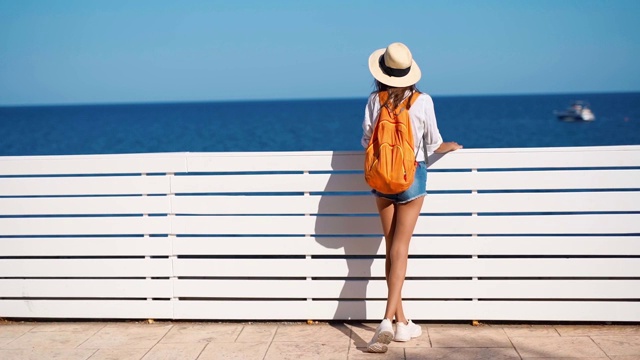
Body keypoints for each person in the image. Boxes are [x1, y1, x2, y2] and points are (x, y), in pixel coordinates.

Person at [361, 42, 462, 353]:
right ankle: (387, 319)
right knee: (401, 248)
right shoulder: (422, 101)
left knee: (391, 248)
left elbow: (366, 138)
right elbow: (434, 143)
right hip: (410, 178)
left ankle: (402, 323)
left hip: (381, 178)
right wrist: (451, 147)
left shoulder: (374, 101)